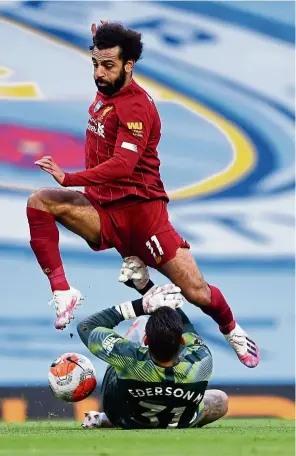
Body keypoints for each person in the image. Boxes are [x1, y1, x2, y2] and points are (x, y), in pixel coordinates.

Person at [26, 21, 259, 368]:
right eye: (95, 64)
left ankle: (233, 331)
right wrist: (103, 37)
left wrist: (69, 177)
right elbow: (109, 54)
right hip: (104, 209)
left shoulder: (135, 107)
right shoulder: (107, 87)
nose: (99, 73)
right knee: (39, 203)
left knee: (197, 293)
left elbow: (123, 165)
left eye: (108, 65)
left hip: (143, 216)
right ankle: (63, 290)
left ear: (129, 66)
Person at [77, 283, 228, 430]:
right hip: (179, 421)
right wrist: (146, 286)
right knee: (221, 400)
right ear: (182, 341)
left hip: (122, 417)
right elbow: (186, 326)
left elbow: (86, 327)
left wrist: (141, 305)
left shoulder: (128, 357)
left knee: (142, 322)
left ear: (146, 340)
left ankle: (107, 419)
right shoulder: (202, 359)